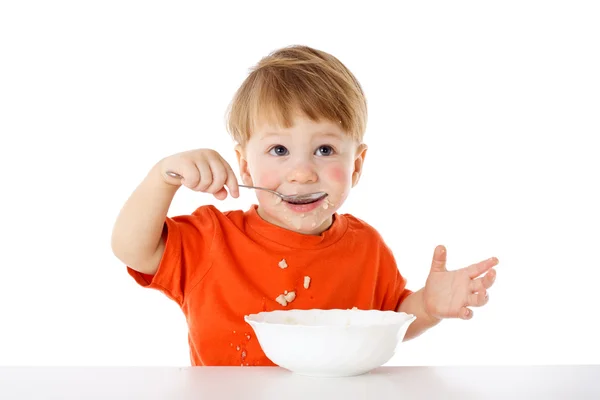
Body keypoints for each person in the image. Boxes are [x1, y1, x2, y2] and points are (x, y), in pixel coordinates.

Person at [111, 45, 499, 367]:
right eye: (278, 150)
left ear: (356, 166)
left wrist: (428, 307)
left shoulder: (367, 248)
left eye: (324, 150)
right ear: (245, 163)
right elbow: (133, 249)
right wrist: (162, 178)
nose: (301, 173)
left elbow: (393, 319)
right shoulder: (211, 239)